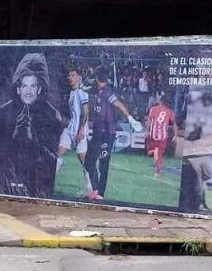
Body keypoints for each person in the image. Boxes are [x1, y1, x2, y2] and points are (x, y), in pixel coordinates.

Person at [0, 53, 63, 198]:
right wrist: (14, 137)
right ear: (18, 89)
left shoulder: (52, 114)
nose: (28, 91)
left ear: (39, 89)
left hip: (37, 186)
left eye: (33, 86)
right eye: (24, 86)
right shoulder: (4, 112)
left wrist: (31, 141)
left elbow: (53, 162)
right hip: (6, 185)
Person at [85, 65, 143, 200]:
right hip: (98, 132)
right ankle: (96, 191)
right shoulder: (97, 91)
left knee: (101, 163)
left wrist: (130, 118)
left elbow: (118, 103)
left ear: (97, 78)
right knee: (90, 161)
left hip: (106, 133)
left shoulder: (106, 91)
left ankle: (99, 194)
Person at [56, 68, 92, 194]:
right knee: (59, 152)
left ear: (79, 77)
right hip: (70, 128)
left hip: (80, 130)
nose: (69, 78)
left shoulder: (82, 92)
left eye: (72, 75)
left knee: (83, 159)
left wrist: (82, 129)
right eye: (69, 75)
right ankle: (48, 182)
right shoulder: (72, 93)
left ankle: (89, 187)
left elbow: (86, 111)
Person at [145, 95, 178, 177]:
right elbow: (174, 124)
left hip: (153, 134)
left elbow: (149, 120)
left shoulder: (154, 109)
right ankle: (157, 170)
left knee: (153, 153)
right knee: (157, 155)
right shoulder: (169, 111)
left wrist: (147, 130)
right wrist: (175, 135)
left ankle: (158, 171)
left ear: (161, 101)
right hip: (163, 136)